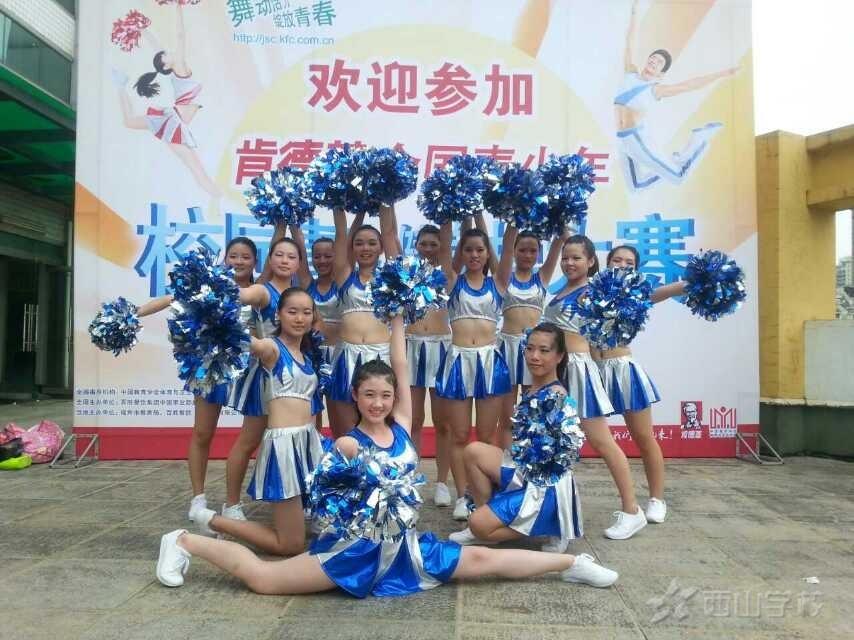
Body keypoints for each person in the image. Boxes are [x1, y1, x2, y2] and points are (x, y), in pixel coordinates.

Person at [157, 315, 619, 595]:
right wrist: (343, 461)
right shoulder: (344, 443)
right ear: (355, 398)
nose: (378, 403)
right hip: (354, 552)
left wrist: (398, 317)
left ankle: (572, 565)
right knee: (265, 580)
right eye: (369, 396)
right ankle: (183, 541)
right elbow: (329, 504)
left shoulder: (401, 424)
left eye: (385, 395)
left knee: (482, 562)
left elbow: (400, 364)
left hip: (405, 548)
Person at [187, 287, 324, 555]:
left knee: (312, 536)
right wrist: (213, 313)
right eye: (292, 312)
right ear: (279, 315)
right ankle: (211, 520)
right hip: (284, 450)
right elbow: (246, 341)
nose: (299, 319)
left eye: (306, 312)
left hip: (307, 446)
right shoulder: (272, 348)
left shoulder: (307, 355)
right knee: (291, 546)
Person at [135, 237, 258, 518]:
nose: (239, 261)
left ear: (255, 262)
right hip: (211, 367)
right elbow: (170, 299)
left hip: (249, 370)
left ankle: (232, 503)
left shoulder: (259, 289)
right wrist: (135, 314)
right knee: (203, 432)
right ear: (225, 260)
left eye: (245, 257)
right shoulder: (209, 287)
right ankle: (198, 498)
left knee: (249, 439)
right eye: (234, 256)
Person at [542, 235, 646, 540]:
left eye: (576, 257)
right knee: (553, 446)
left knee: (602, 442)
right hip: (555, 373)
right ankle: (552, 516)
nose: (569, 263)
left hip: (579, 372)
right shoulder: (561, 291)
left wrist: (685, 285)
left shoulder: (593, 291)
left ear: (591, 261)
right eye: (565, 257)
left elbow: (642, 298)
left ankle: (632, 510)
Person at [450, 322, 583, 553]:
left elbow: (564, 457)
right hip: (524, 470)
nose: (534, 356)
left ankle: (552, 524)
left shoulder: (556, 396)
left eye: (544, 350)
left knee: (478, 524)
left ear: (560, 356)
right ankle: (489, 519)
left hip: (545, 482)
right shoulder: (533, 389)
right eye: (530, 349)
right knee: (473, 451)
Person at [593, 244, 688, 524]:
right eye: (617, 260)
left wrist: (704, 278)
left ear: (636, 269)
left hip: (623, 370)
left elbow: (673, 289)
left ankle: (657, 499)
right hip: (591, 370)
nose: (622, 265)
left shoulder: (638, 294)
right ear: (607, 263)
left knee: (644, 437)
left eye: (629, 263)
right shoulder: (590, 291)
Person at [220, 236, 303, 520]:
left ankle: (301, 501)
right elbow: (236, 296)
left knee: (301, 437)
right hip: (267, 375)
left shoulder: (300, 293)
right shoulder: (262, 291)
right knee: (248, 440)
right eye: (279, 255)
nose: (284, 260)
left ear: (299, 263)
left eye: (291, 256)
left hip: (298, 376)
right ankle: (231, 504)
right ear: (269, 260)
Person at [616, 0, 738, 191]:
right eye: (653, 58)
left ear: (661, 74)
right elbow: (629, 43)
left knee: (678, 177)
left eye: (659, 63)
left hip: (637, 139)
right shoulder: (630, 73)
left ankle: (698, 139)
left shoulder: (655, 89)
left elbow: (689, 85)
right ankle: (672, 162)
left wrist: (722, 74)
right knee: (635, 187)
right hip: (622, 141)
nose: (654, 61)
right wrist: (634, 12)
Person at [437, 216, 511, 521]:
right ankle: (461, 495)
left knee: (485, 435)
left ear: (487, 252)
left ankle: (484, 496)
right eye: (468, 249)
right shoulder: (452, 281)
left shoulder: (499, 282)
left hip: (489, 362)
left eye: (480, 249)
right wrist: (450, 210)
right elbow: (445, 247)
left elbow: (508, 245)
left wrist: (502, 214)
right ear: (461, 253)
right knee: (459, 435)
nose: (475, 255)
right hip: (458, 361)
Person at [111, 2, 221, 199]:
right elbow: (180, 36)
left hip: (171, 120)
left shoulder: (176, 69)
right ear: (167, 64)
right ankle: (219, 198)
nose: (170, 52)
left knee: (195, 167)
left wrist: (143, 29)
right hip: (173, 120)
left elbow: (157, 46)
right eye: (167, 55)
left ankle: (120, 84)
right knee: (195, 167)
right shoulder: (180, 67)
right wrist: (178, 6)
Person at [326, 206, 398, 436]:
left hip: (381, 357)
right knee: (347, 430)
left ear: (381, 248)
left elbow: (390, 232)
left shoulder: (392, 277)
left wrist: (385, 199)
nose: (365, 248)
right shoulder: (344, 274)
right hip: (347, 356)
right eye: (359, 243)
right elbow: (341, 234)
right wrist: (354, 208)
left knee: (380, 426)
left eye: (372, 243)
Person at [495, 226, 566, 448]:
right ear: (514, 251)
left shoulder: (542, 277)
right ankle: (506, 462)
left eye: (533, 251)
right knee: (507, 416)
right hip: (506, 348)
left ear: (539, 253)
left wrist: (560, 216)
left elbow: (559, 241)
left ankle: (529, 460)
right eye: (522, 250)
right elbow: (506, 244)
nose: (527, 255)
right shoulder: (503, 277)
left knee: (532, 413)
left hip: (534, 350)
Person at [405, 225, 454, 506]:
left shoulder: (446, 273)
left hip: (440, 348)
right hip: (412, 346)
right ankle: (410, 479)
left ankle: (442, 483)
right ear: (416, 245)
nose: (428, 248)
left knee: (442, 422)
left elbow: (448, 238)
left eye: (434, 244)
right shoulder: (406, 274)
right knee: (412, 420)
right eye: (423, 243)